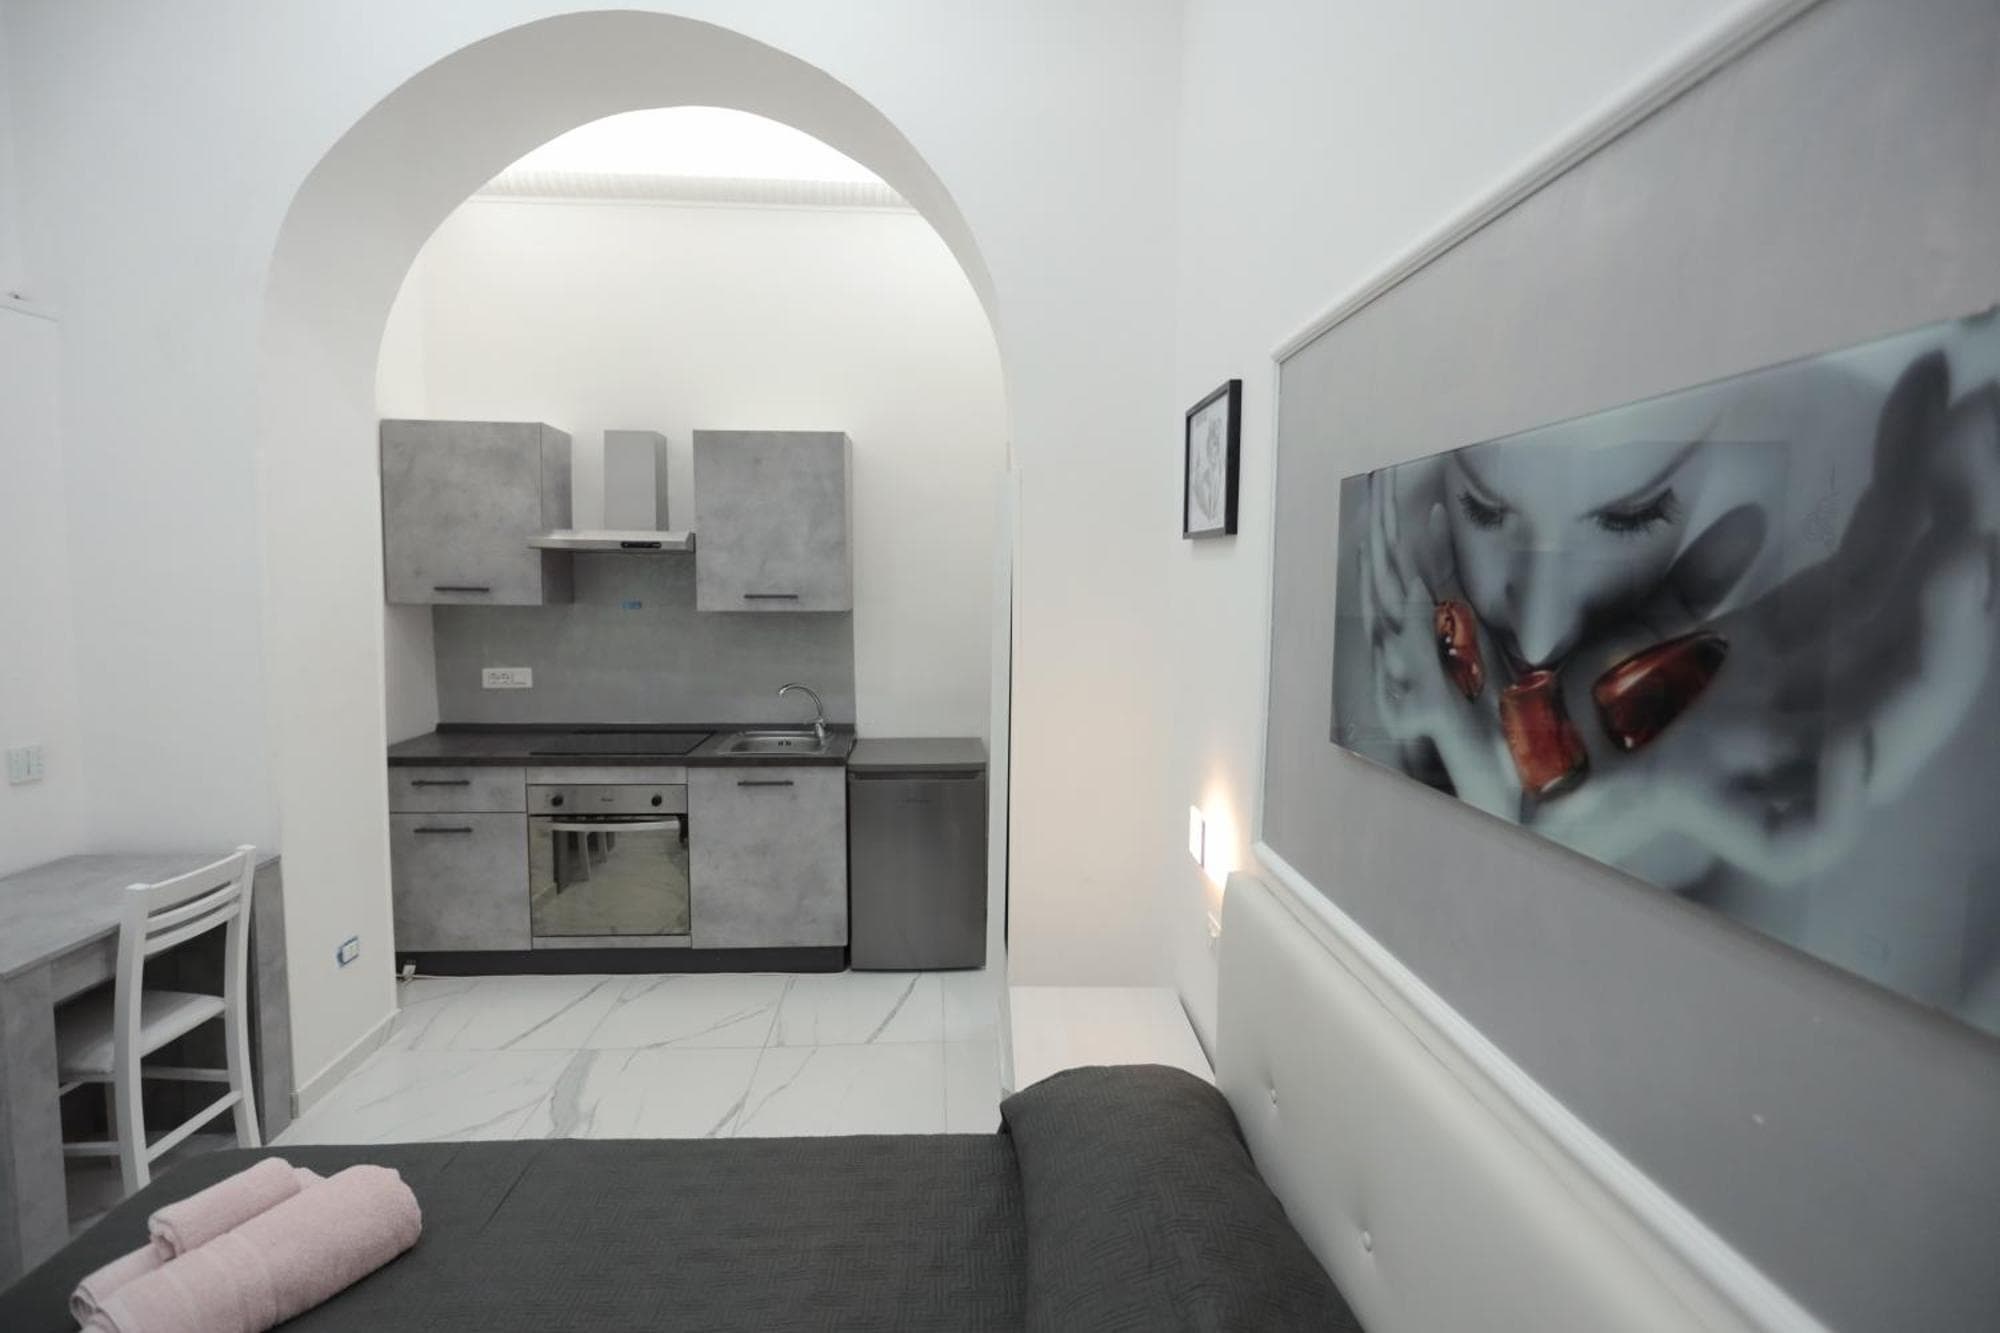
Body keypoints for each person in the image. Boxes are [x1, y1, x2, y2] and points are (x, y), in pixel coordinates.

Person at [1339, 312, 2000, 1027]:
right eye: (1483, 508)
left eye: (1632, 516)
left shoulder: (1841, 499)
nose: (1539, 633)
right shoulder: (1379, 577)